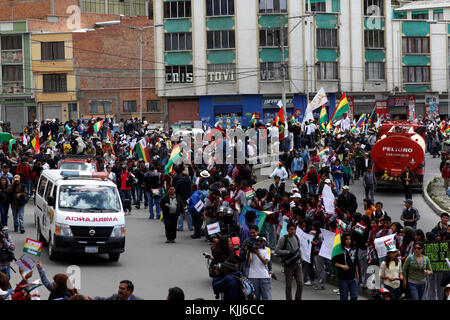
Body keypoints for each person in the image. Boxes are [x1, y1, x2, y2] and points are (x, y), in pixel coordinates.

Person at [276, 222, 303, 300]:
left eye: (294, 229)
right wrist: (287, 252)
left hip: (298, 264)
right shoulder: (283, 239)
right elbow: (277, 250)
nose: (293, 231)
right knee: (289, 286)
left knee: (300, 284)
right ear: (287, 230)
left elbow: (299, 249)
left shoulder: (296, 237)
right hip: (288, 265)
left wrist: (301, 259)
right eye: (291, 229)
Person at [332, 232, 359, 300]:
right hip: (343, 278)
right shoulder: (339, 250)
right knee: (344, 297)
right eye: (346, 239)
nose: (348, 241)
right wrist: (342, 266)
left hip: (352, 277)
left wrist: (357, 276)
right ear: (343, 240)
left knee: (355, 296)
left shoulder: (354, 249)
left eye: (350, 239)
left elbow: (356, 263)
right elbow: (335, 263)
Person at [247, 235, 271, 300]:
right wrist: (249, 252)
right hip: (253, 276)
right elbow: (248, 263)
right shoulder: (252, 249)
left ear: (264, 242)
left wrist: (257, 253)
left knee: (266, 297)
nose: (259, 243)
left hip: (264, 276)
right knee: (255, 297)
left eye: (261, 241)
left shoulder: (267, 250)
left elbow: (265, 262)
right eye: (258, 241)